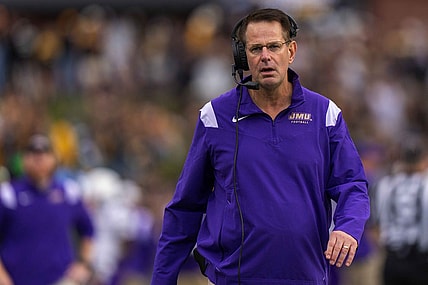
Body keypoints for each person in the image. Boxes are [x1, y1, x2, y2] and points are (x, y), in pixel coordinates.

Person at [151, 8, 370, 285]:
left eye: (274, 46)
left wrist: (348, 227)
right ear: (243, 57)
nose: (265, 56)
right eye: (255, 49)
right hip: (232, 279)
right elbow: (184, 209)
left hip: (305, 278)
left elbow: (353, 184)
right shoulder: (215, 117)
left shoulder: (325, 114)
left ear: (291, 51)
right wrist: (162, 280)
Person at [0, 134, 95, 285]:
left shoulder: (68, 192)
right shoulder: (8, 194)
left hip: (59, 279)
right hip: (17, 279)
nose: (39, 159)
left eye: (44, 153)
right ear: (24, 159)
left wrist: (84, 263)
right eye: (33, 154)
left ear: (54, 159)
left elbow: (88, 230)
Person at [375, 135, 428, 285]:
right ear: (423, 159)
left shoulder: (385, 185)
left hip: (392, 258)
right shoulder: (426, 185)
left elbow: (376, 225)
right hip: (421, 260)